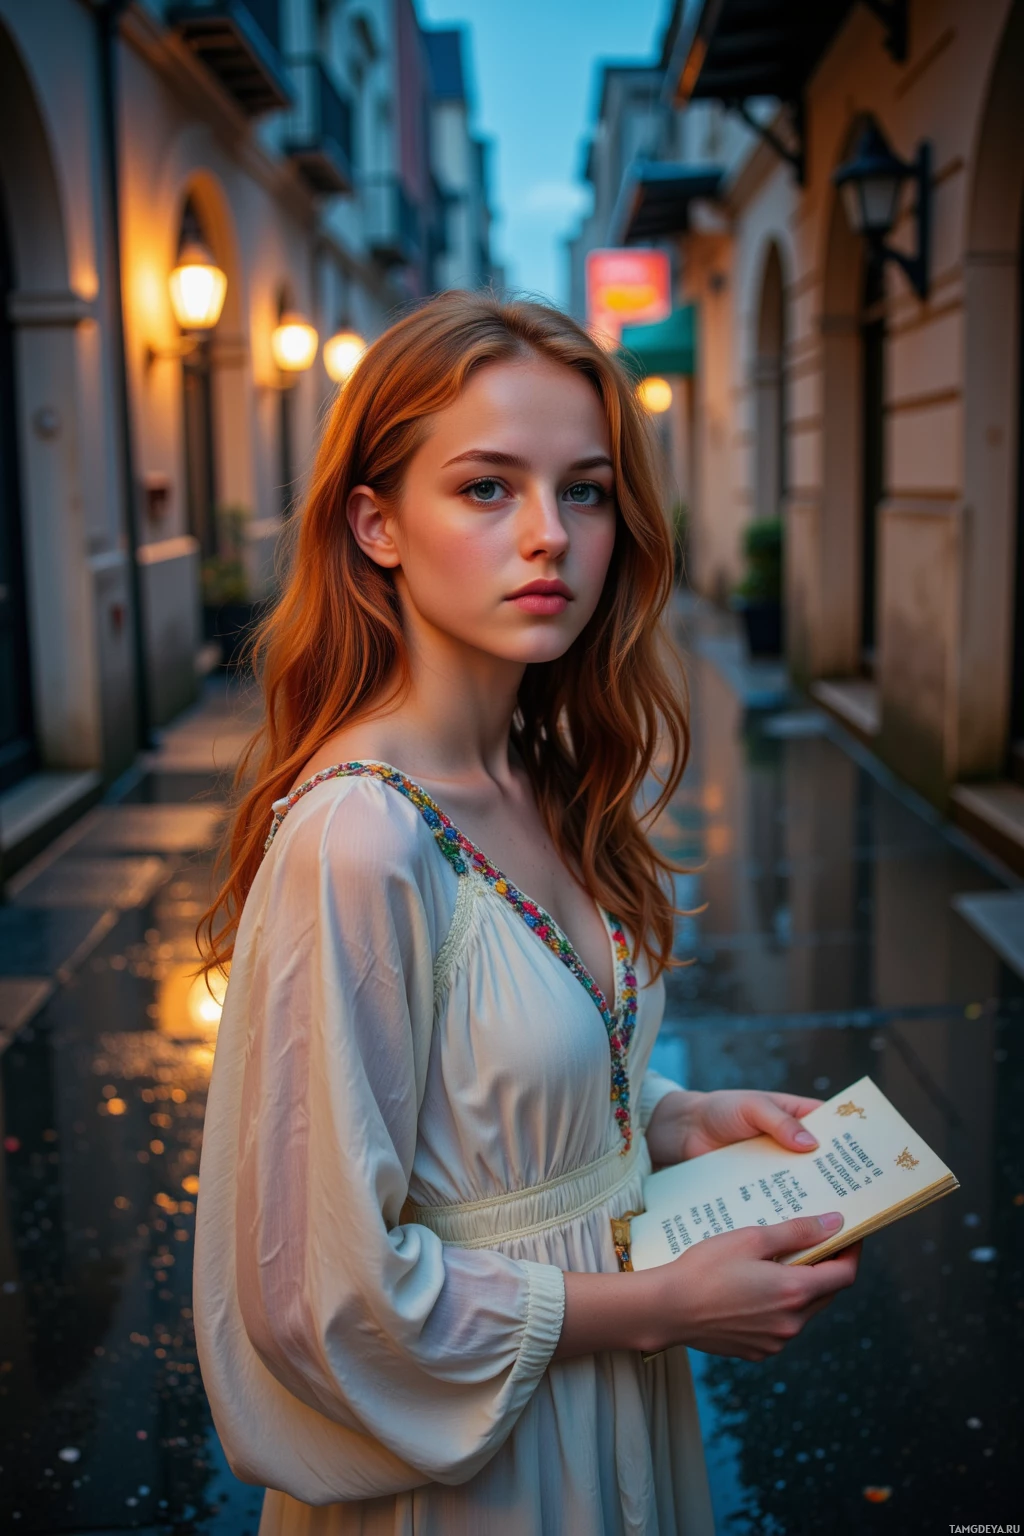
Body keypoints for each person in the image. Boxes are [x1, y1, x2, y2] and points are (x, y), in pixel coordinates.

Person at [192, 291, 862, 1535]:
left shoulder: (548, 775)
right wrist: (658, 1307)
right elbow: (320, 1294)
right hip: (476, 1474)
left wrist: (674, 1116)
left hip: (611, 1421)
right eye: (487, 488)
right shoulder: (360, 835)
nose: (549, 535)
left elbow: (488, 1089)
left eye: (587, 490)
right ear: (376, 524)